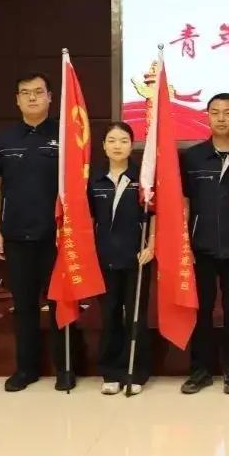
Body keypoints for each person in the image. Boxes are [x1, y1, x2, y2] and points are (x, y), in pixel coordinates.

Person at [0, 73, 77, 392]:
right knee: (23, 305)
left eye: (39, 92)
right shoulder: (4, 139)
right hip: (15, 235)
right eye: (25, 93)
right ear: (17, 99)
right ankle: (26, 369)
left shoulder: (66, 135)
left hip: (56, 237)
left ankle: (65, 367)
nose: (33, 98)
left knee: (61, 304)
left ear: (51, 96)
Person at [180, 93, 229, 395]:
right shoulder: (192, 157)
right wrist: (185, 243)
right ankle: (200, 370)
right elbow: (184, 203)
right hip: (201, 248)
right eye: (215, 112)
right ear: (207, 116)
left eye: (228, 112)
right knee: (201, 311)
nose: (221, 118)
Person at [90, 122, 155, 396]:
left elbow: (155, 213)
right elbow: (87, 218)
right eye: (112, 140)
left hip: (137, 257)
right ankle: (111, 372)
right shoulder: (93, 179)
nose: (117, 146)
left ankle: (136, 371)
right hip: (104, 257)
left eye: (124, 140)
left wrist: (152, 245)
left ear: (132, 145)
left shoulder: (143, 177)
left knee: (136, 315)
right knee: (110, 315)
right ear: (104, 146)